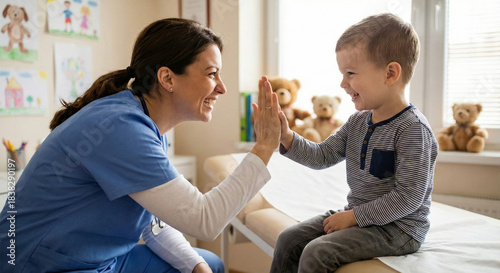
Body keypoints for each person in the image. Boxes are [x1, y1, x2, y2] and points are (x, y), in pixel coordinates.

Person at [0, 18, 282, 273]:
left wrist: (197, 267)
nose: (222, 88)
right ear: (167, 78)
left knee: (210, 264)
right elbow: (203, 220)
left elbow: (155, 220)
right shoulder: (119, 128)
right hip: (41, 264)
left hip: (99, 258)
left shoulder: (146, 125)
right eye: (211, 74)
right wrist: (264, 147)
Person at [270, 13, 438, 272]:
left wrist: (353, 217)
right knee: (288, 240)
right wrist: (287, 137)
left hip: (400, 228)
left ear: (390, 73)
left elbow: (408, 198)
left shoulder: (413, 130)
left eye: (350, 73)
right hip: (361, 216)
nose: (342, 83)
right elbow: (322, 156)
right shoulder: (358, 122)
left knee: (318, 252)